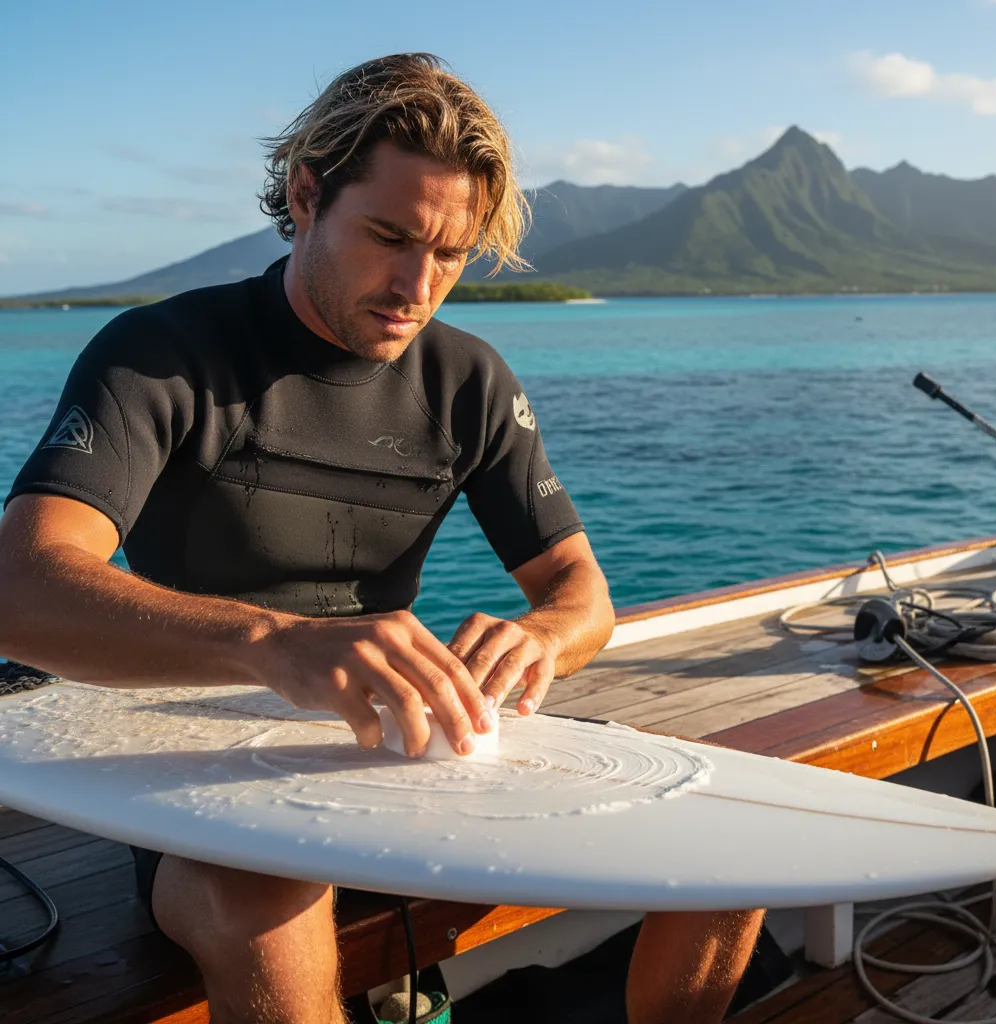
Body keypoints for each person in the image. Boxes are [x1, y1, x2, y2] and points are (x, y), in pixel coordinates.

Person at [0, 53, 763, 1024]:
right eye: (390, 237)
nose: (417, 285)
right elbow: (22, 588)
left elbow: (582, 596)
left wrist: (540, 635)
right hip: (200, 771)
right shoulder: (162, 355)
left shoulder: (467, 380)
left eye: (451, 254)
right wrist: (273, 643)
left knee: (727, 845)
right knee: (258, 905)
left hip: (408, 752)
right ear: (305, 193)